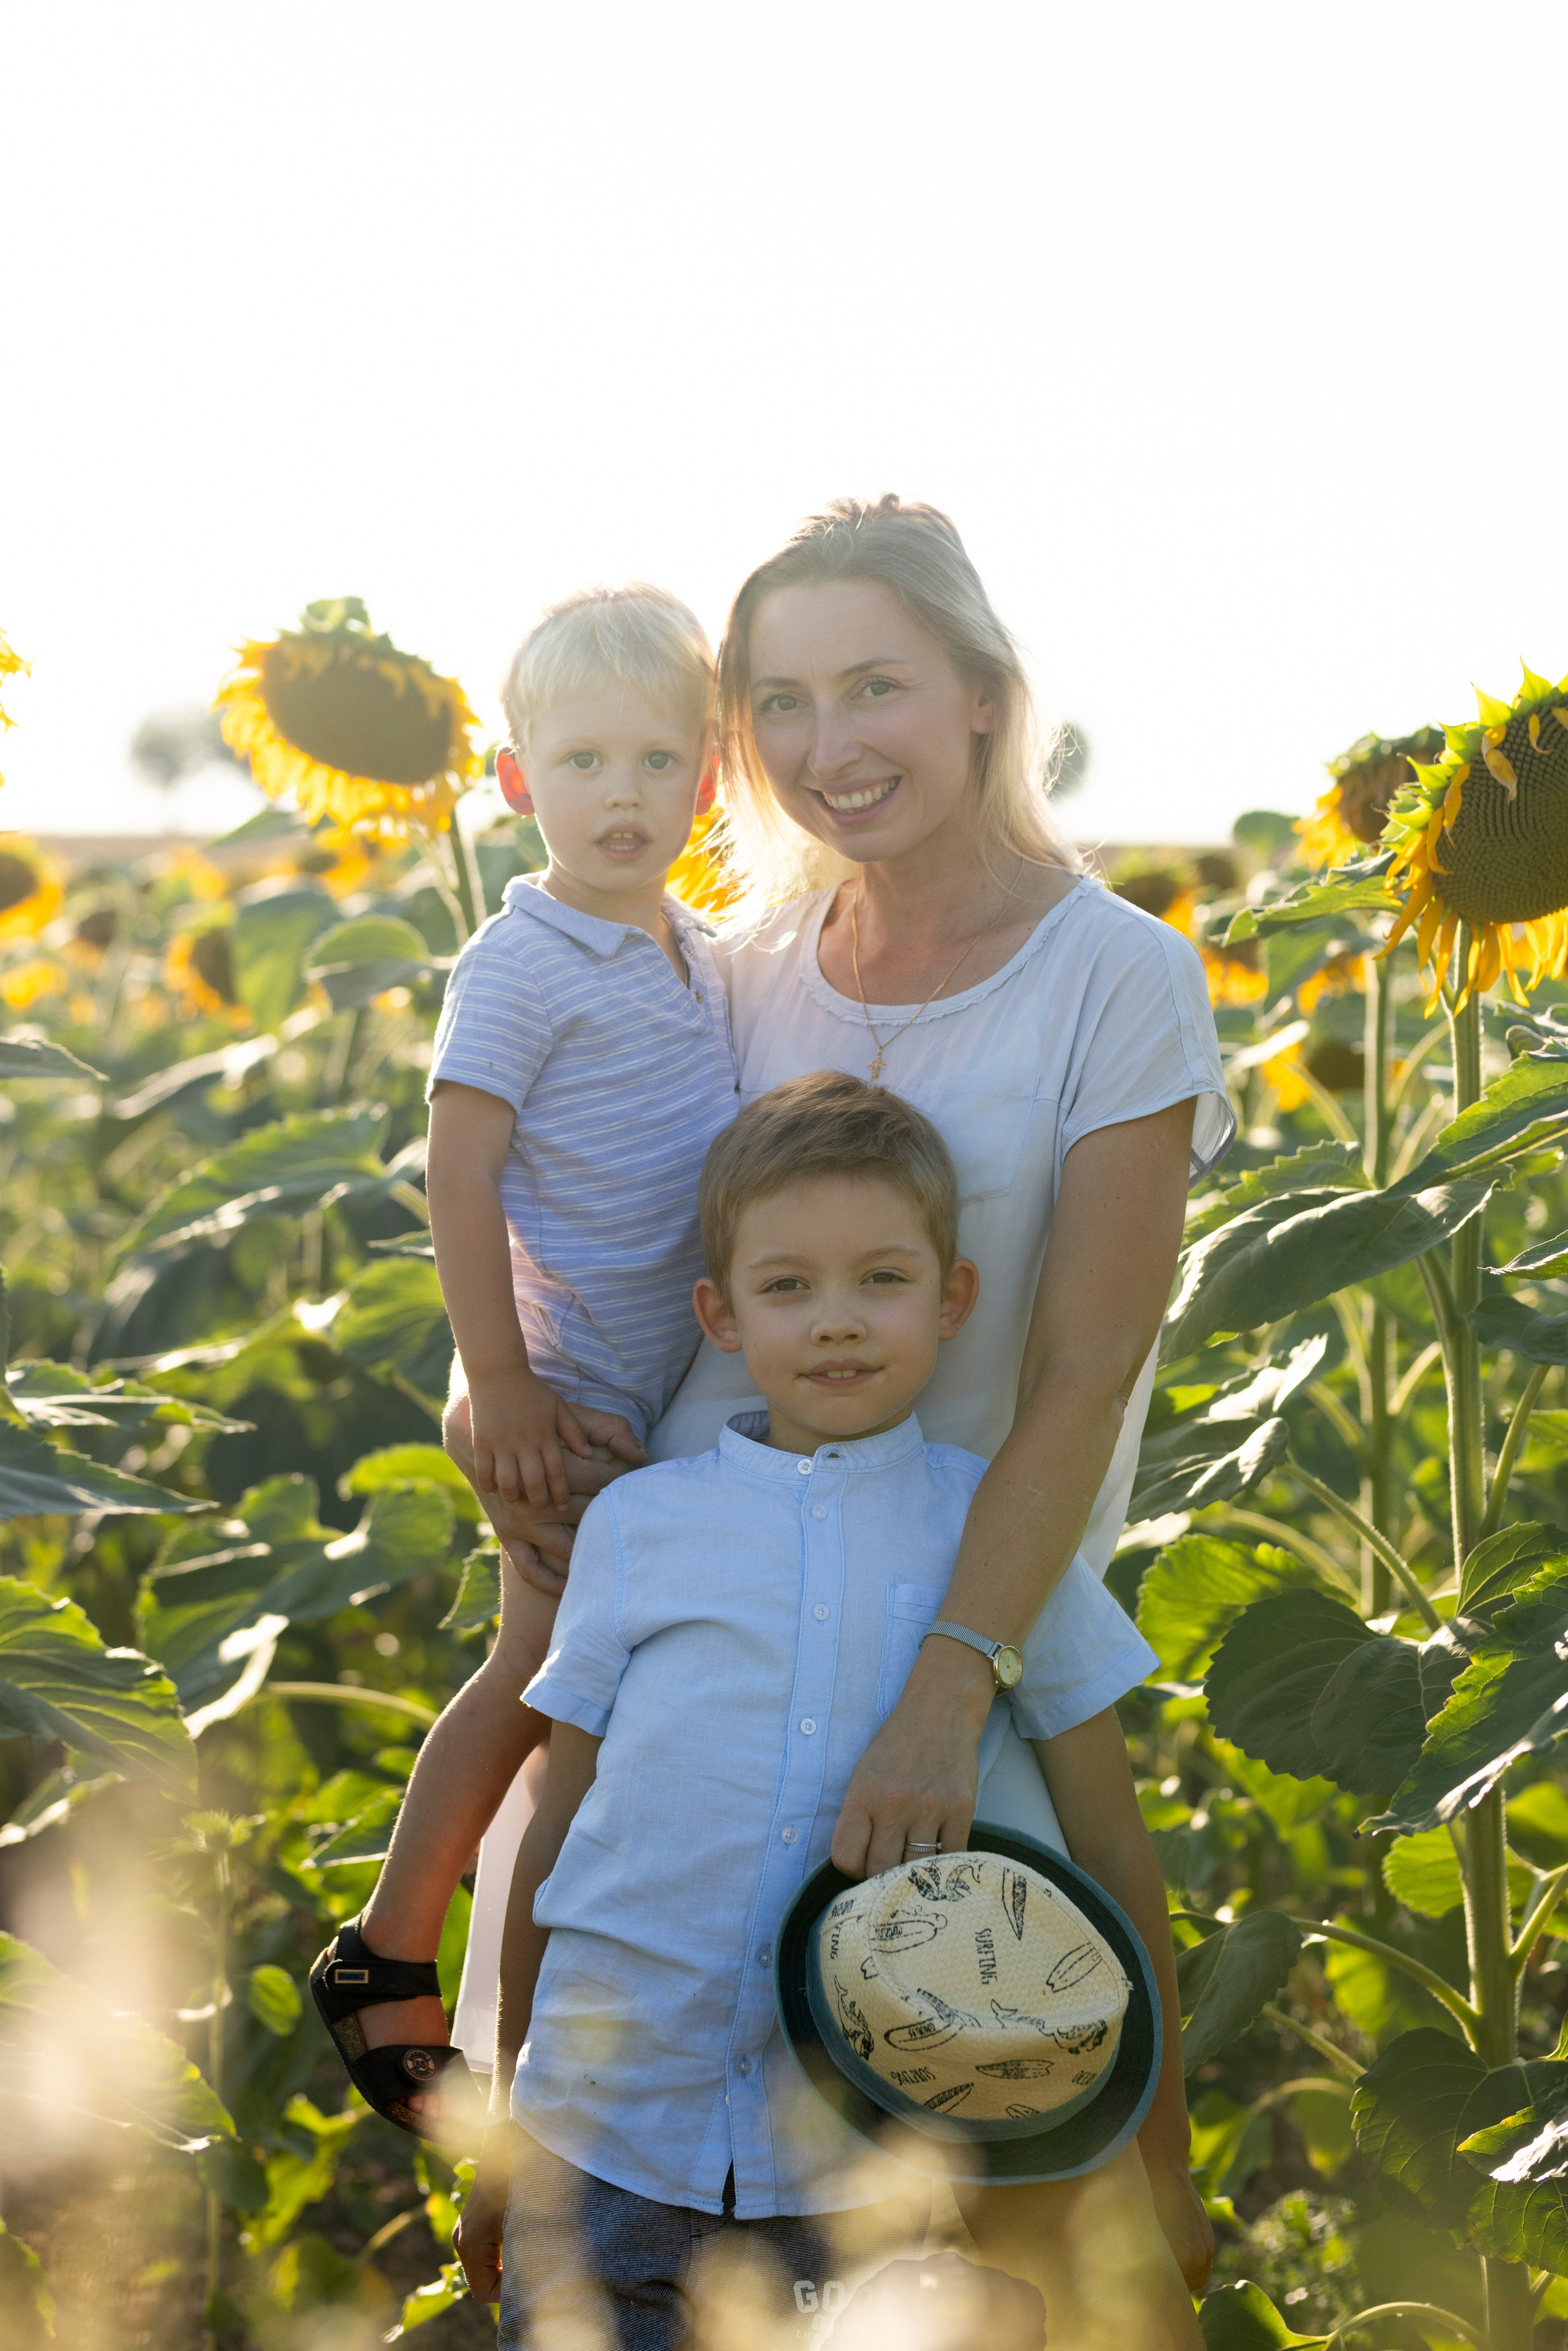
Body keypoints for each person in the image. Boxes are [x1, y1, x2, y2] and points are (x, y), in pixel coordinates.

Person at [350, 498, 1230, 2292]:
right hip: (689, 1618)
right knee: (633, 2150)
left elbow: (1081, 1375)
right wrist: (480, 1381)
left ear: (985, 696)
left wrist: (946, 1679)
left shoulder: (1116, 976)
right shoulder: (727, 961)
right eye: (784, 700)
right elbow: (576, 1208)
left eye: (878, 687)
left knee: (942, 2197)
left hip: (963, 1634)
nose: (829, 748)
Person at [453, 1075, 1201, 2351]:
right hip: (601, 2136)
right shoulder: (639, 1527)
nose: (837, 1322)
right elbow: (557, 1828)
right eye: (787, 1285)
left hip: (859, 2161)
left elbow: (1111, 1854)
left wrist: (1161, 2160)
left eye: (881, 1279)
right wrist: (506, 2126)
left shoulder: (999, 1541)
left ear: (953, 1297)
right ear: (720, 1314)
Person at [311, 583, 737, 2127]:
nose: (619, 796)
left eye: (653, 762)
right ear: (512, 781)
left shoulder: (692, 948)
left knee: (569, 1695)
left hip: (642, 1389)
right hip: (560, 1389)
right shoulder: (525, 957)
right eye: (581, 763)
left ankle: (478, 2005)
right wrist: (496, 1381)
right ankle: (398, 1955)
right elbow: (459, 1165)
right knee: (544, 1684)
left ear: (705, 781)